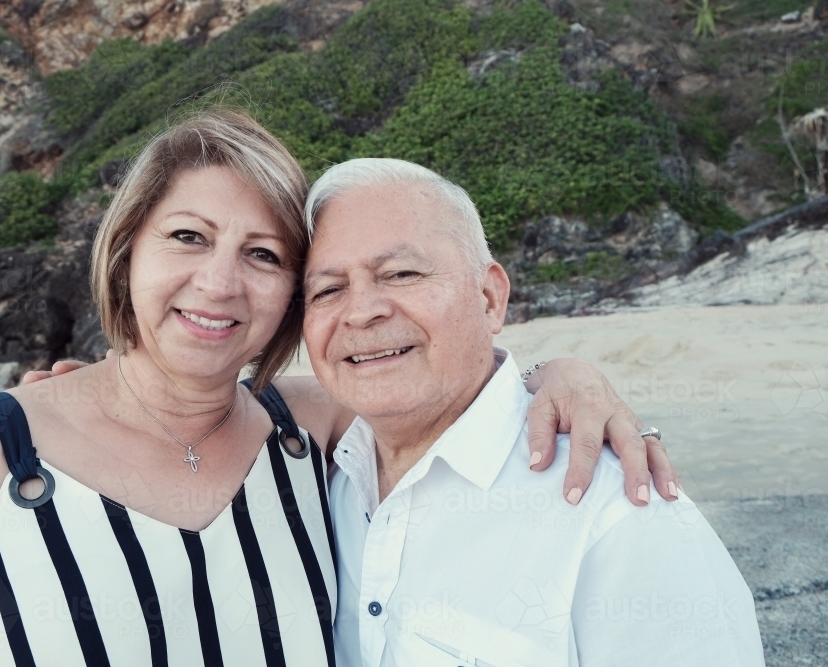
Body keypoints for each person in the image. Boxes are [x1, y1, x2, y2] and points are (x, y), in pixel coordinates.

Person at [0, 109, 675, 666]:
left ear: (291, 298)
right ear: (128, 256)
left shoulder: (315, 432)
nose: (221, 283)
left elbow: (450, 384)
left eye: (265, 255)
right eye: (188, 237)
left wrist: (563, 376)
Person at [299, 158, 764, 666]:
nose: (362, 310)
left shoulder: (618, 512)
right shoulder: (311, 479)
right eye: (327, 290)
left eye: (402, 273)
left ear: (490, 298)